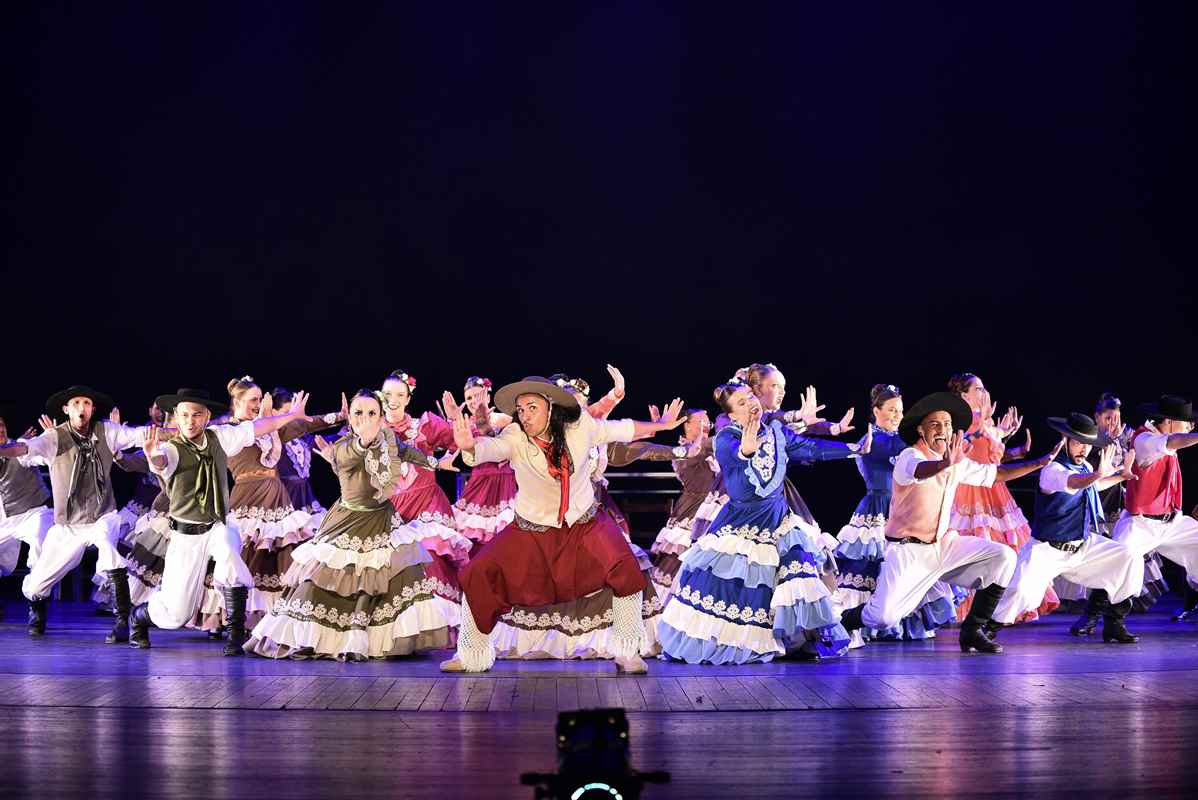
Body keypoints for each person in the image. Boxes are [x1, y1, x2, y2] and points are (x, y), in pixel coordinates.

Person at [438, 377, 687, 674]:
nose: (525, 414)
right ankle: (470, 655)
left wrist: (662, 426)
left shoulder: (580, 427)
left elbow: (622, 428)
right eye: (520, 409)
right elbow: (493, 448)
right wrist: (470, 447)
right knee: (478, 572)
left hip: (585, 524)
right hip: (531, 529)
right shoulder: (515, 435)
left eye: (532, 407)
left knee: (627, 569)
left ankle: (627, 651)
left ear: (551, 408)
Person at [658, 381, 868, 664]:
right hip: (742, 521)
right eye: (742, 403)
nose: (751, 403)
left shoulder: (777, 433)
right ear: (732, 415)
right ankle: (744, 641)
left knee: (796, 572)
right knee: (741, 584)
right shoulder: (726, 437)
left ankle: (797, 639)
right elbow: (735, 456)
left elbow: (811, 448)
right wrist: (746, 449)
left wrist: (854, 448)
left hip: (778, 518)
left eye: (751, 397)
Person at [839, 391, 1058, 654]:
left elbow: (995, 473)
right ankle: (845, 619)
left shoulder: (956, 462)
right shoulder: (910, 457)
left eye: (947, 425)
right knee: (884, 617)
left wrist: (1040, 462)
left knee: (1004, 557)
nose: (943, 430)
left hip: (944, 546)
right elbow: (921, 472)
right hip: (908, 553)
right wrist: (944, 463)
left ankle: (973, 630)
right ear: (921, 430)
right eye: (935, 425)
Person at [245, 390, 455, 660]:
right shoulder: (345, 445)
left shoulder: (388, 438)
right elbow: (351, 456)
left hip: (383, 519)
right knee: (334, 581)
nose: (365, 419)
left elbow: (408, 452)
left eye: (371, 414)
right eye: (358, 413)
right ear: (351, 418)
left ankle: (383, 638)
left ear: (381, 417)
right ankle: (325, 637)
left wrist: (437, 462)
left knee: (390, 577)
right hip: (349, 522)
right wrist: (365, 441)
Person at [129, 388, 315, 654]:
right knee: (176, 615)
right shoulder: (172, 449)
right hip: (186, 537)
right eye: (184, 416)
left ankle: (235, 635)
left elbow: (260, 426)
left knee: (231, 559)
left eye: (196, 415)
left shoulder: (220, 437)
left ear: (206, 417)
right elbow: (161, 461)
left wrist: (292, 416)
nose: (190, 421)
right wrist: (151, 455)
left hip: (218, 525)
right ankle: (139, 617)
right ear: (177, 418)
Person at [0, 386, 149, 642]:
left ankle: (124, 619)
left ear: (92, 409)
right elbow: (24, 449)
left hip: (102, 515)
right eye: (76, 403)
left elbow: (138, 434)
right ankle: (37, 606)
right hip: (68, 526)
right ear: (67, 409)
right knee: (35, 586)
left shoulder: (106, 431)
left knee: (107, 546)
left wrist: (180, 430)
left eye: (87, 403)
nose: (82, 407)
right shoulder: (54, 437)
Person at [993, 413, 1142, 643]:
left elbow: (1092, 487)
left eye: (1087, 444)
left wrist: (1120, 477)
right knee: (1019, 592)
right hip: (1048, 549)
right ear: (1064, 440)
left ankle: (1114, 623)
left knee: (1128, 557)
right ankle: (983, 630)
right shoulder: (1052, 470)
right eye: (1077, 443)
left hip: (1081, 546)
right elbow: (1073, 483)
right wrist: (1097, 474)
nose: (1083, 449)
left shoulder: (1083, 470)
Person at [832, 384, 957, 646]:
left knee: (904, 568)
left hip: (905, 508)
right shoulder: (871, 440)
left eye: (900, 410)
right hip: (878, 509)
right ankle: (859, 623)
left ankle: (898, 623)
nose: (897, 415)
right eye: (891, 410)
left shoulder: (905, 441)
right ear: (876, 411)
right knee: (870, 564)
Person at [946, 372, 1055, 621]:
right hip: (969, 490)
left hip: (994, 488)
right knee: (977, 544)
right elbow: (963, 455)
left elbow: (993, 460)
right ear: (963, 395)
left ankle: (1004, 606)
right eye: (978, 389)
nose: (984, 393)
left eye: (984, 388)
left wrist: (1016, 451)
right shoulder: (960, 421)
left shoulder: (984, 421)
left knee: (1009, 544)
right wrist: (986, 429)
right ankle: (969, 608)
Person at [1108, 395, 1198, 622]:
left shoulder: (1162, 436)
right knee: (1123, 558)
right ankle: (1110, 620)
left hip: (1172, 522)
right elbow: (1171, 442)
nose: (1190, 426)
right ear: (1168, 421)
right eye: (1186, 421)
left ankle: (1193, 599)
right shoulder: (1144, 440)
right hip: (1141, 524)